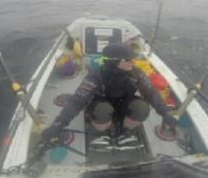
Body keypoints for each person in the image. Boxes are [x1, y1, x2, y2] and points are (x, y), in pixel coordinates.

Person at [41, 43, 177, 149]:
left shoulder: (136, 72)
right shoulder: (95, 76)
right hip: (101, 104)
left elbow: (151, 91)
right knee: (102, 112)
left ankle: (125, 129)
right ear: (114, 62)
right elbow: (77, 101)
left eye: (133, 58)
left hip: (124, 102)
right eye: (128, 59)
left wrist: (165, 113)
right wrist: (58, 125)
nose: (133, 62)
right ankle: (104, 131)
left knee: (142, 108)